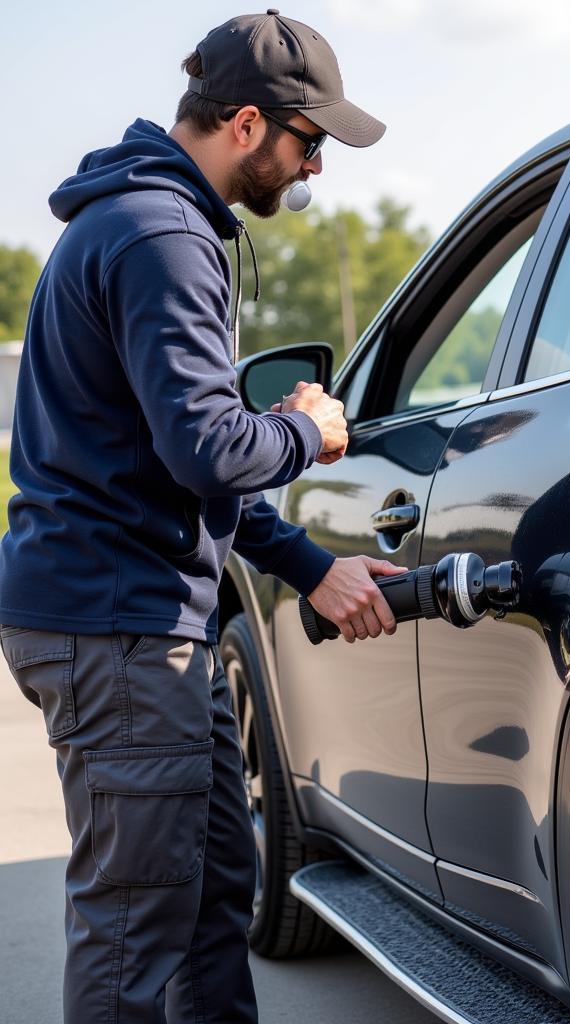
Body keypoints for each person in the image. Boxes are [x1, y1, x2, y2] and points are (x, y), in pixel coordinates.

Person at [0, 10, 403, 1022]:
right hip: (123, 634)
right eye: (307, 143)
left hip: (132, 623)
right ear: (245, 124)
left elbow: (174, 466)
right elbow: (212, 449)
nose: (314, 169)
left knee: (213, 889)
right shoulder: (162, 237)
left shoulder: (137, 222)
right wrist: (310, 429)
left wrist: (310, 564)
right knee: (137, 929)